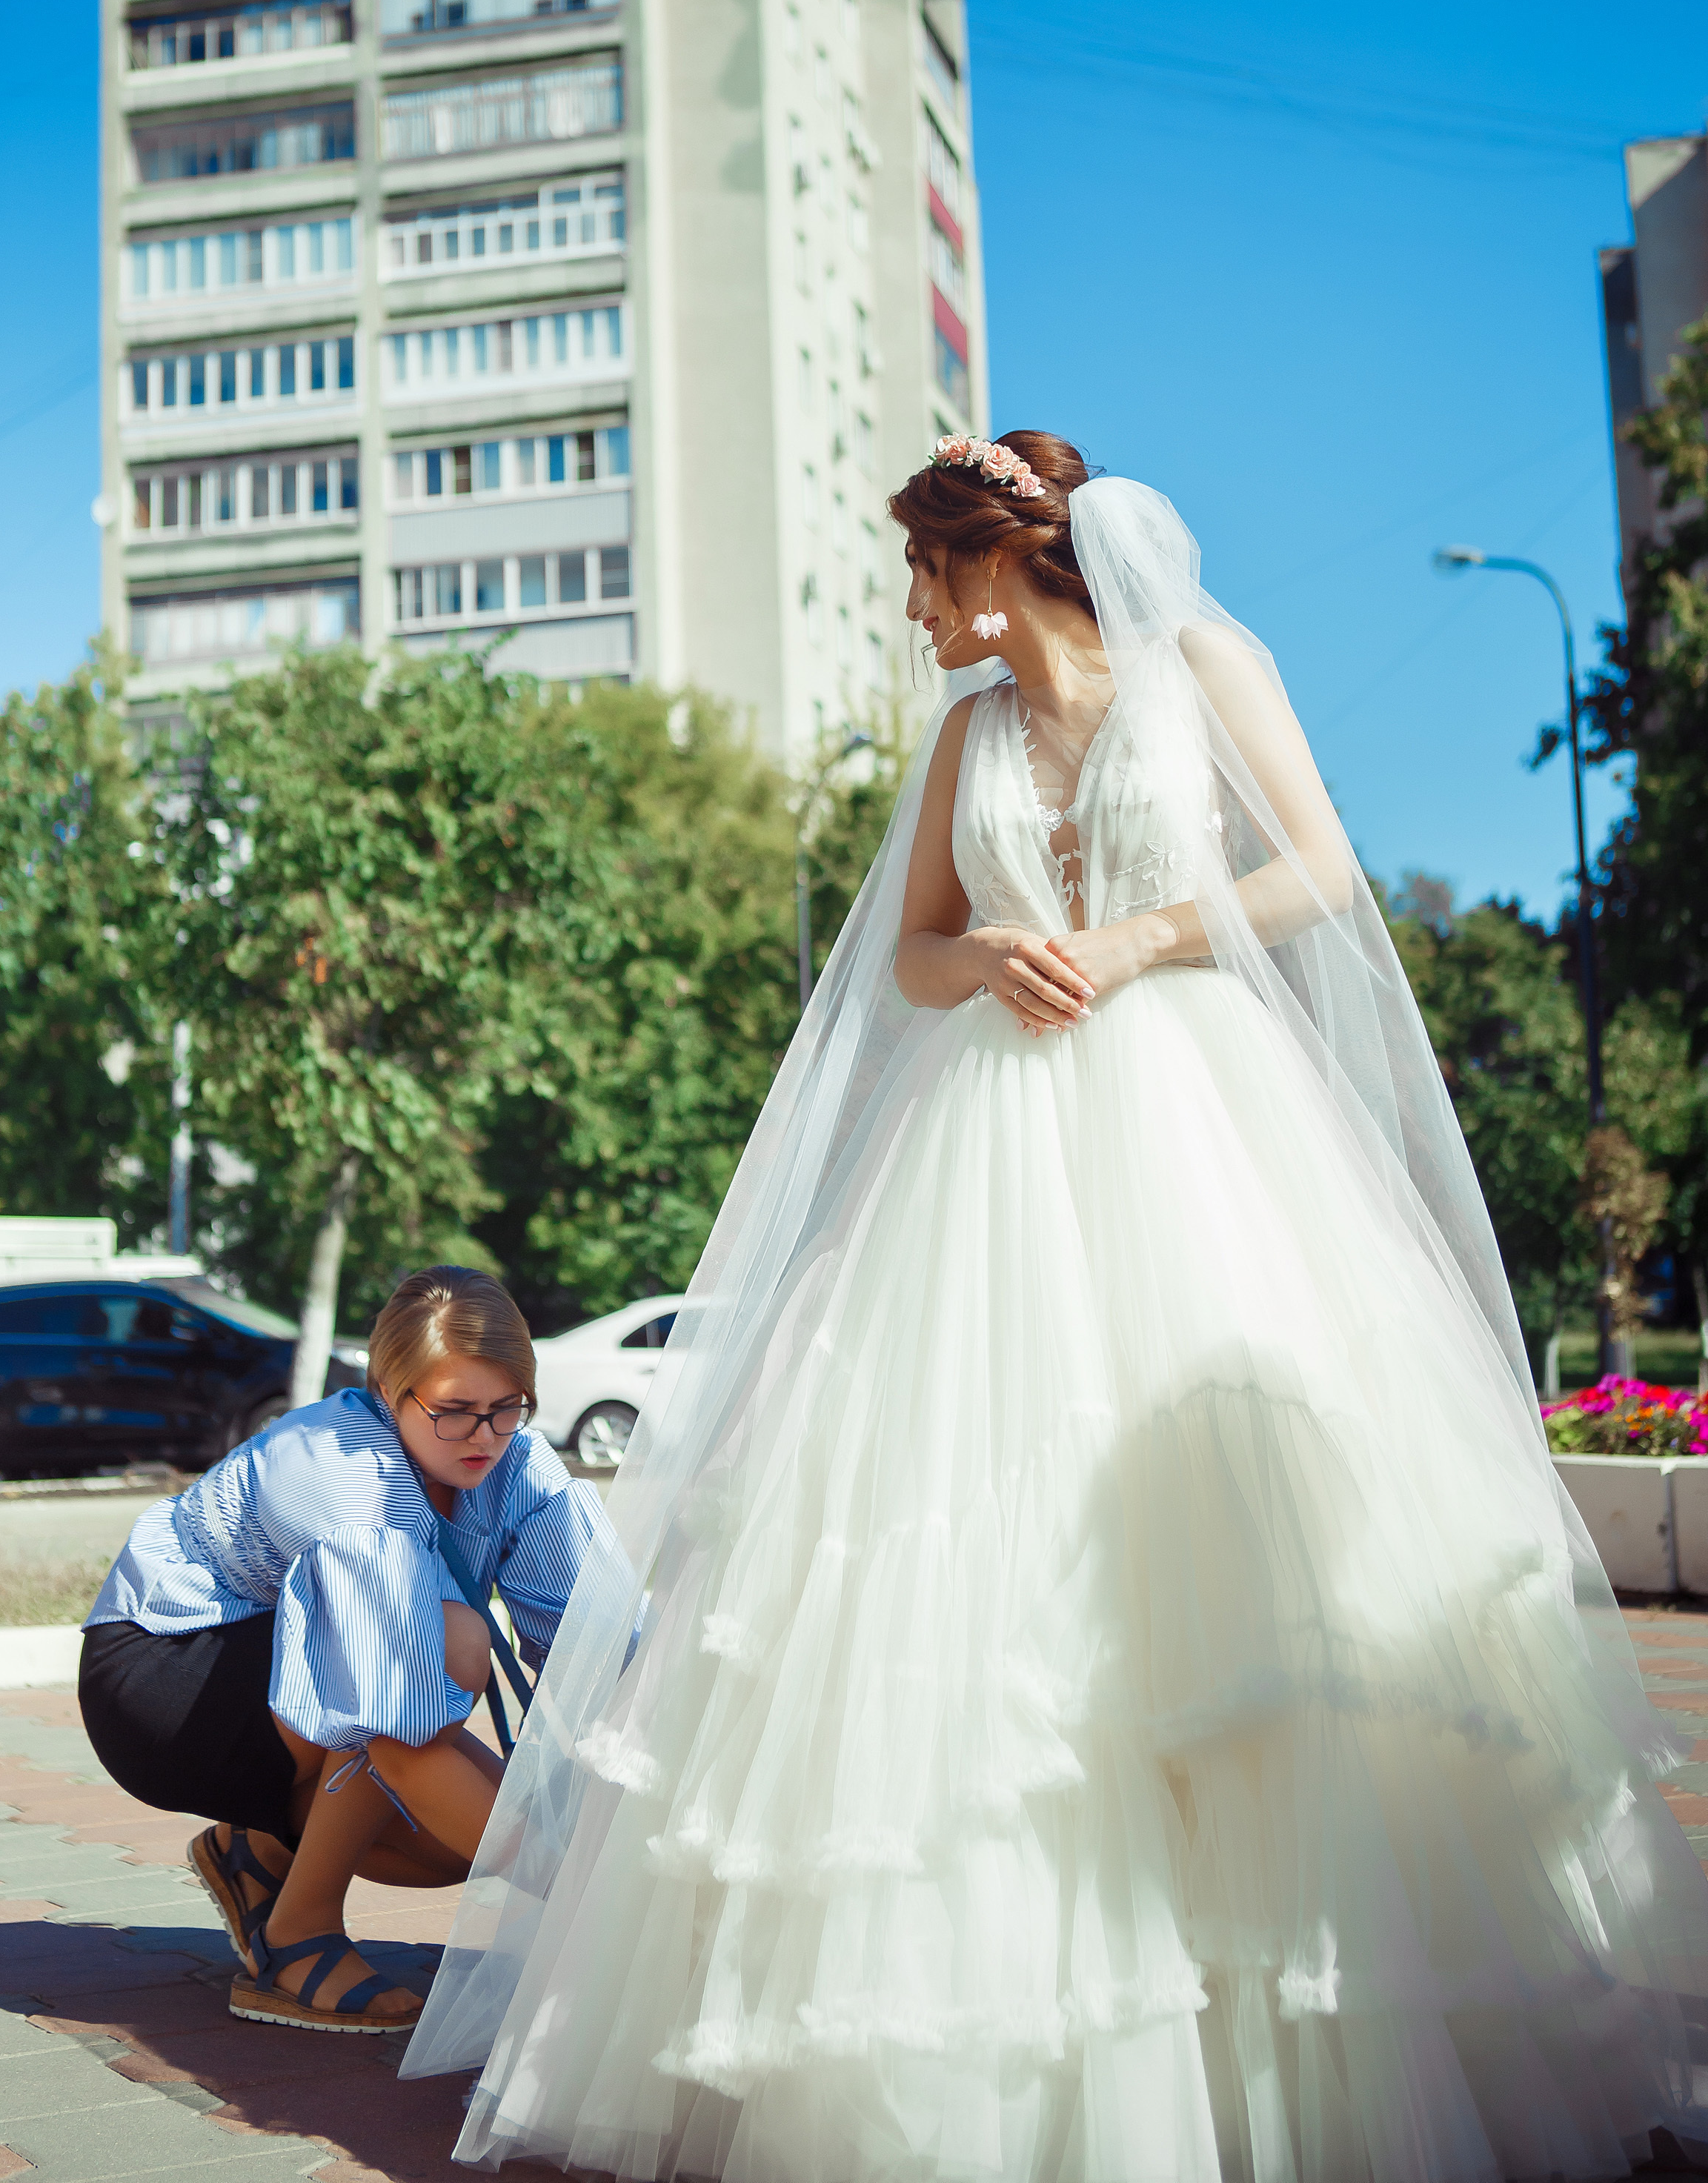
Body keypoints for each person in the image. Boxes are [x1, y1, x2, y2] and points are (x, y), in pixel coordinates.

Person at [405, 442, 1708, 2178]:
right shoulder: (966, 737)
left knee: (1244, 1543)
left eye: (920, 573)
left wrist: (1136, 941)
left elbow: (1318, 869)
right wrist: (991, 960)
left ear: (993, 557)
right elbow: (911, 952)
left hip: (1200, 1122)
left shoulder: (1202, 667)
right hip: (985, 1150)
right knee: (966, 1550)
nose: (909, 607)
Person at [80, 1265, 614, 2035]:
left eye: (507, 1408)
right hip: (166, 1678)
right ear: (391, 1390)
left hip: (291, 1680)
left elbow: (596, 1647)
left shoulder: (520, 1463)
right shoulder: (342, 1475)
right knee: (452, 1647)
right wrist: (601, 1903)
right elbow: (396, 1719)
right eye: (454, 1411)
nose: (484, 1437)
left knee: (452, 1847)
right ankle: (296, 1933)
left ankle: (256, 1854)